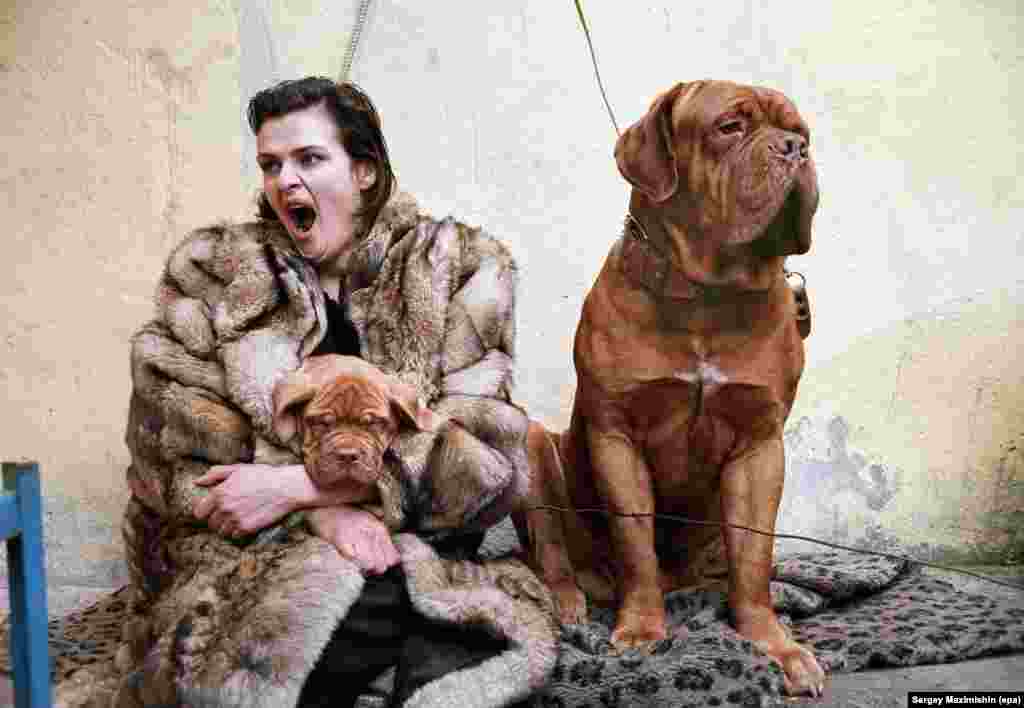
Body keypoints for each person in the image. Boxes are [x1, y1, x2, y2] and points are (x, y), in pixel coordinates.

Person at [113, 77, 555, 708]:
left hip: (413, 543)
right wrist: (318, 513)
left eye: (309, 159)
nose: (285, 180)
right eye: (271, 164)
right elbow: (169, 451)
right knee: (274, 633)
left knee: (397, 597)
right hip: (243, 550)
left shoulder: (458, 266)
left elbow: (486, 460)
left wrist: (299, 486)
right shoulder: (215, 271)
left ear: (365, 171)